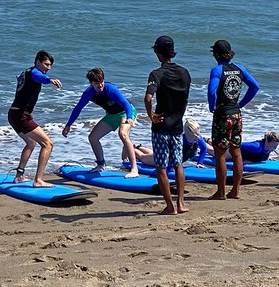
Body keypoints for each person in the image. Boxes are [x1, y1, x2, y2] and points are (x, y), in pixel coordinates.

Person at [207, 39, 260, 200]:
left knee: (220, 153)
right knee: (236, 153)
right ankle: (235, 191)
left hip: (223, 114)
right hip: (236, 114)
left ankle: (221, 192)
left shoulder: (217, 70)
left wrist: (211, 106)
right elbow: (255, 86)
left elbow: (211, 91)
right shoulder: (240, 69)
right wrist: (241, 103)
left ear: (216, 55)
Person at [62, 67, 139, 178]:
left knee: (123, 134)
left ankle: (134, 169)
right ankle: (101, 164)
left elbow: (125, 103)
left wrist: (129, 117)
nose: (100, 85)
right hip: (111, 115)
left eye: (101, 82)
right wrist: (68, 125)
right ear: (91, 83)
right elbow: (78, 108)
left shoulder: (110, 89)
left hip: (125, 112)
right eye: (96, 83)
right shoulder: (89, 93)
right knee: (93, 137)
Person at [145, 35, 191, 215]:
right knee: (178, 164)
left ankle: (170, 206)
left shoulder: (156, 74)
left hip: (161, 126)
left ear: (158, 52)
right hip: (177, 125)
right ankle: (180, 203)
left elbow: (148, 97)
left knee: (161, 167)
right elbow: (185, 98)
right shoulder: (185, 73)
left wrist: (151, 116)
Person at [8, 50, 62, 187]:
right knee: (48, 144)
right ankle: (38, 180)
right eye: (46, 64)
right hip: (21, 116)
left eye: (50, 66)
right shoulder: (34, 73)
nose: (48, 68)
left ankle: (19, 176)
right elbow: (38, 77)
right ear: (37, 62)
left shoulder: (26, 72)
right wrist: (49, 80)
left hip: (13, 114)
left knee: (31, 143)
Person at [126, 118, 208, 168]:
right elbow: (170, 155)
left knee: (152, 154)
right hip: (164, 158)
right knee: (143, 157)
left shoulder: (198, 138)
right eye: (193, 136)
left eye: (198, 134)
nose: (196, 137)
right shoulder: (180, 141)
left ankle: (138, 147)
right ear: (186, 134)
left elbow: (204, 148)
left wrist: (200, 162)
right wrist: (169, 167)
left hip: (167, 157)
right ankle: (130, 149)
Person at [206, 131, 279, 162]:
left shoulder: (268, 149)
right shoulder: (256, 147)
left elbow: (262, 153)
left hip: (235, 153)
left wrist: (267, 156)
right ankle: (201, 141)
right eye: (274, 145)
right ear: (267, 141)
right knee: (213, 151)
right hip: (231, 153)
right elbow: (237, 144)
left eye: (276, 145)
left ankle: (207, 140)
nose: (275, 147)